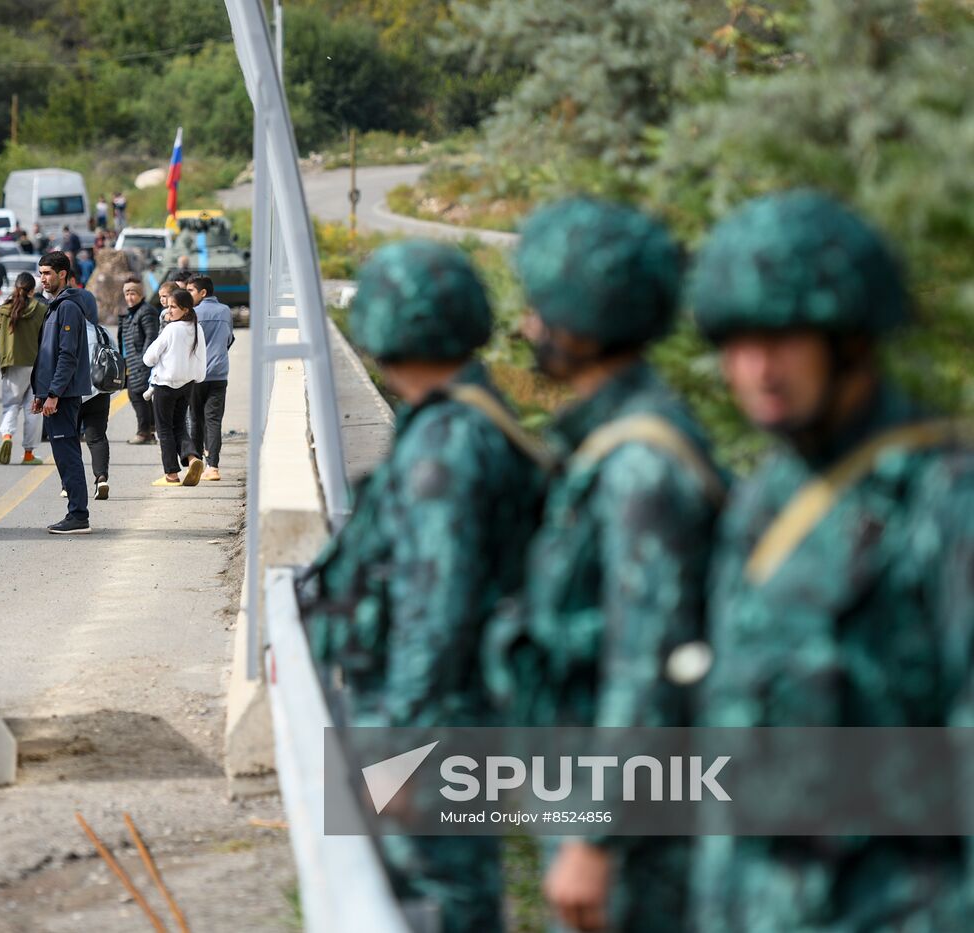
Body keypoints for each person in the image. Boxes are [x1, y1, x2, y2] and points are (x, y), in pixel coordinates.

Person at [686, 190, 974, 932]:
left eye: (782, 338)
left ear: (850, 340)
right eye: (736, 342)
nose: (756, 369)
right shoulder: (764, 498)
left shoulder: (942, 501)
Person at [484, 198, 724, 933]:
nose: (529, 327)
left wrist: (596, 837)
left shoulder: (640, 463)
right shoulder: (614, 437)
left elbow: (649, 661)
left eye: (541, 310)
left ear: (581, 320)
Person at [296, 240, 548, 933]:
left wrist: (399, 751)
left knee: (433, 900)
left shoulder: (446, 446)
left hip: (429, 734)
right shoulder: (464, 419)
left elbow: (437, 610)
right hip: (445, 723)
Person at [29, 252, 94, 535]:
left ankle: (78, 515)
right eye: (41, 273)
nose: (42, 279)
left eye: (47, 273)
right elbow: (47, 355)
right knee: (64, 453)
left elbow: (67, 355)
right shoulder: (54, 306)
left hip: (64, 396)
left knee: (67, 454)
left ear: (63, 274)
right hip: (55, 394)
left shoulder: (67, 308)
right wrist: (41, 393)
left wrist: (54, 393)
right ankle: (76, 513)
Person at [143, 289, 207, 486]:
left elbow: (149, 358)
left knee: (164, 430)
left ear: (185, 309)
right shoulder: (197, 328)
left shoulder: (171, 329)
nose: (168, 311)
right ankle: (193, 458)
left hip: (165, 386)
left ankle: (171, 474)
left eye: (173, 307)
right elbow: (202, 358)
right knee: (179, 426)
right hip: (187, 385)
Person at [0, 271, 46, 466]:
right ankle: (29, 454)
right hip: (36, 365)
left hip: (12, 364)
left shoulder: (5, 310)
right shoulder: (40, 309)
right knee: (33, 409)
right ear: (32, 291)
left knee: (11, 404)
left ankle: (7, 436)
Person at [186, 275, 234, 482]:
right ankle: (213, 466)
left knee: (196, 419)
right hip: (220, 375)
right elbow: (229, 339)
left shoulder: (193, 313)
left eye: (190, 291)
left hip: (197, 375)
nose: (188, 295)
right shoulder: (225, 311)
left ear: (202, 292)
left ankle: (195, 462)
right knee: (213, 421)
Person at [73, 285, 114, 501]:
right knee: (97, 437)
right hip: (99, 391)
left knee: (70, 439)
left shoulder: (69, 331)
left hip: (72, 393)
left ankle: (69, 484)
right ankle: (101, 478)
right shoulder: (102, 332)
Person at [119, 277, 161, 444]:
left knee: (137, 394)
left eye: (133, 293)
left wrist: (145, 362)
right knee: (138, 395)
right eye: (127, 293)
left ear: (141, 294)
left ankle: (144, 432)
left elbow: (150, 337)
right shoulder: (132, 312)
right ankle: (149, 431)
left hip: (142, 362)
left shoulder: (146, 311)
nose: (130, 297)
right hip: (132, 361)